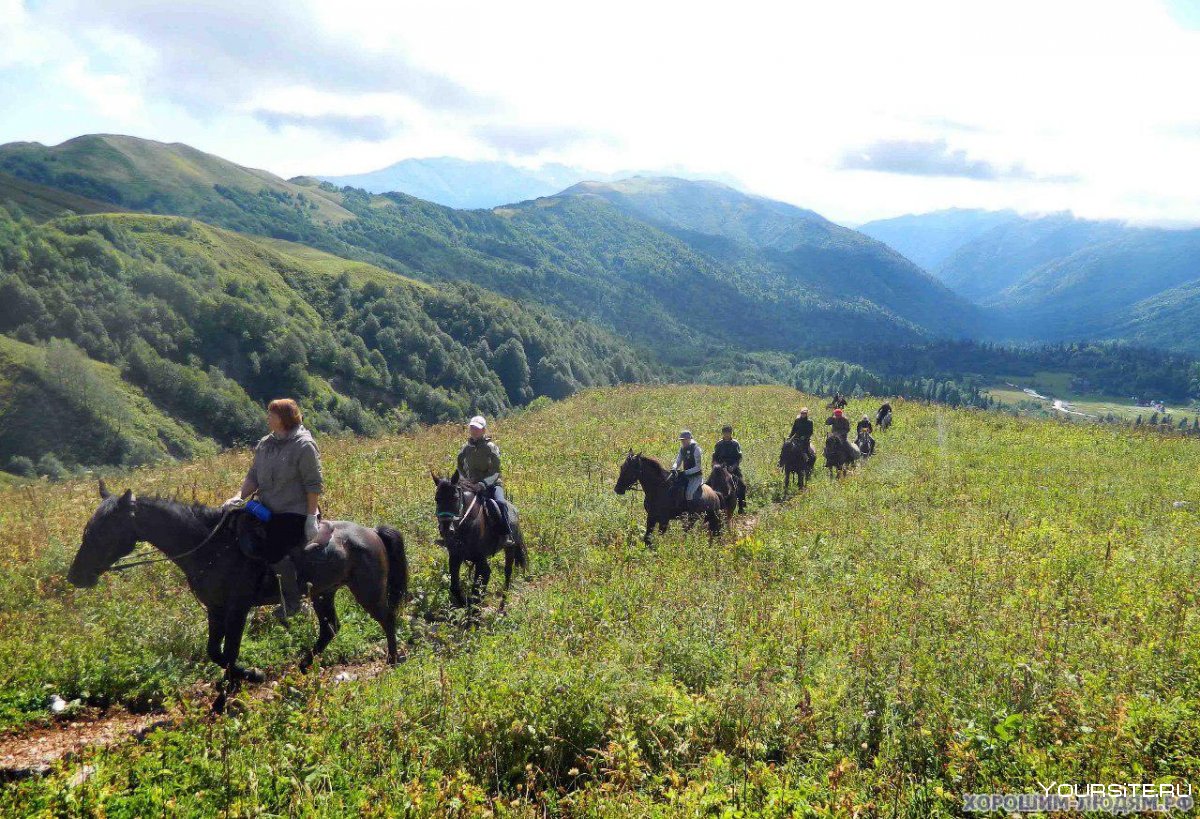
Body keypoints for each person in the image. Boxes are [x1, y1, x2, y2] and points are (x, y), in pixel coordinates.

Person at [224, 398, 323, 620]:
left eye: (272, 414)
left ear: (284, 418)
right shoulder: (265, 444)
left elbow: (313, 484)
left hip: (292, 512)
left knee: (273, 549)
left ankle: (293, 601)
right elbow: (253, 476)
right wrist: (239, 497)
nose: (267, 417)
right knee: (234, 533)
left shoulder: (304, 445)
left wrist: (310, 517)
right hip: (265, 508)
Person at [456, 415, 513, 547]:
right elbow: (459, 466)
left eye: (477, 428)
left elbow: (496, 470)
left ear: (483, 430)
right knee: (453, 503)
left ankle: (506, 535)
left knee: (500, 503)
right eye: (472, 428)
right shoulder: (466, 448)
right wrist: (465, 480)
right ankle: (452, 537)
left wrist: (483, 484)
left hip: (491, 484)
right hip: (471, 485)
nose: (474, 430)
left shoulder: (490, 447)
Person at [713, 424, 746, 511]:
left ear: (731, 433)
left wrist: (733, 467)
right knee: (709, 483)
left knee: (742, 485)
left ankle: (741, 505)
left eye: (728, 433)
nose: (726, 434)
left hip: (733, 468)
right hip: (720, 469)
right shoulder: (718, 444)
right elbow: (714, 458)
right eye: (725, 433)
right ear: (722, 433)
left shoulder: (735, 444)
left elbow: (739, 458)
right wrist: (717, 466)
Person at [670, 430, 704, 507]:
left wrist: (686, 472)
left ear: (689, 439)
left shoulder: (696, 449)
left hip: (696, 476)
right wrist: (674, 468)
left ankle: (691, 511)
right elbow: (678, 461)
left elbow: (698, 467)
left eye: (684, 440)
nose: (682, 442)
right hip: (686, 475)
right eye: (681, 440)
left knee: (689, 494)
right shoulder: (682, 449)